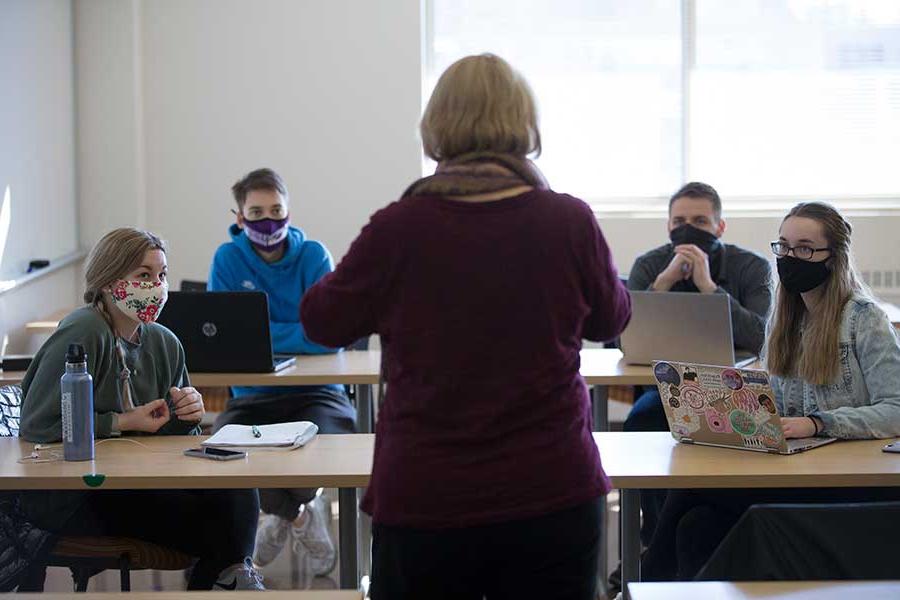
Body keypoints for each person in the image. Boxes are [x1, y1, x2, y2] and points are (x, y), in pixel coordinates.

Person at [300, 53, 632, 600]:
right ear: (523, 124)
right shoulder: (567, 220)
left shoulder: (399, 228)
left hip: (426, 491)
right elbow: (611, 318)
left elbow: (321, 321)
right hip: (550, 485)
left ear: (436, 127)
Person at [640, 201, 900, 581]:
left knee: (690, 491)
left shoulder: (864, 318)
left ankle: (640, 585)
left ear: (833, 258)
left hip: (848, 479)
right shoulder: (784, 318)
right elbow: (775, 405)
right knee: (696, 524)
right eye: (784, 246)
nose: (791, 257)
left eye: (805, 249)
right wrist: (726, 407)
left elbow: (895, 409)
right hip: (796, 467)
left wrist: (816, 423)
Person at [18, 228, 264, 591]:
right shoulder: (85, 329)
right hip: (78, 492)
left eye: (162, 275)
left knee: (239, 490)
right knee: (216, 530)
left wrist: (187, 416)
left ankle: (229, 578)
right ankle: (230, 580)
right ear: (108, 280)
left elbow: (173, 441)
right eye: (143, 275)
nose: (157, 285)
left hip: (140, 480)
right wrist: (121, 421)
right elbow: (37, 425)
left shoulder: (165, 343)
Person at [208, 168, 356, 576]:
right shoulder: (227, 258)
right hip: (252, 395)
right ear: (239, 218)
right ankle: (298, 516)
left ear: (289, 211)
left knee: (320, 459)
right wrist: (299, 331)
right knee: (224, 459)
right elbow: (224, 338)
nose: (268, 220)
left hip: (319, 393)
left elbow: (330, 335)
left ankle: (281, 511)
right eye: (256, 212)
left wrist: (262, 333)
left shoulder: (313, 255)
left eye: (276, 210)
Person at [619, 182, 773, 557]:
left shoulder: (752, 266)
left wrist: (709, 287)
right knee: (642, 420)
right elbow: (626, 339)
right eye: (680, 221)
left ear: (720, 227)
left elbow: (759, 336)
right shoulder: (649, 265)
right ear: (668, 226)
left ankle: (697, 540)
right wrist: (665, 282)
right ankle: (654, 539)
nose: (689, 229)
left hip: (732, 387)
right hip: (664, 385)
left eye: (701, 221)